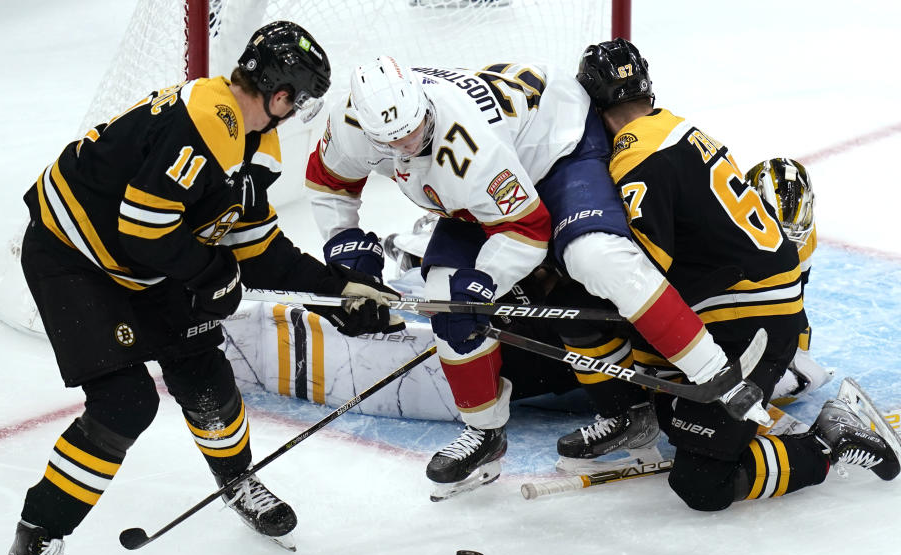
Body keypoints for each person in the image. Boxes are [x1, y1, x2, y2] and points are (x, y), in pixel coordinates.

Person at [0, 22, 403, 555]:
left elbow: (258, 247)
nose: (299, 113)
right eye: (302, 99)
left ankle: (235, 482)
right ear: (282, 93)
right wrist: (214, 276)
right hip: (72, 257)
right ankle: (31, 549)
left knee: (205, 376)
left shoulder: (247, 144)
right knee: (124, 402)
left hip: (148, 261)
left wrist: (338, 290)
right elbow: (143, 226)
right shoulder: (205, 120)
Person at [305, 55, 768, 500]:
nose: (407, 147)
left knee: (595, 256)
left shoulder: (464, 140)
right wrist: (348, 260)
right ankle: (484, 434)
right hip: (481, 183)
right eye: (393, 142)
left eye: (415, 133)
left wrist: (485, 280)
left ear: (424, 105)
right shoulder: (351, 124)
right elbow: (329, 185)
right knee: (445, 295)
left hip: (555, 145)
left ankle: (715, 371)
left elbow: (526, 229)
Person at [565, 37, 898, 512]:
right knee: (670, 400)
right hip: (746, 303)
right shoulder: (676, 129)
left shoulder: (634, 159)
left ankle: (829, 438)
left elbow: (640, 275)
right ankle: (652, 414)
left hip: (750, 321)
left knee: (703, 484)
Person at [746, 158, 834, 404]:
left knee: (807, 376)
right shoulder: (715, 231)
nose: (787, 248)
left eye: (794, 236)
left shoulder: (805, 242)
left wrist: (796, 359)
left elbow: (795, 303)